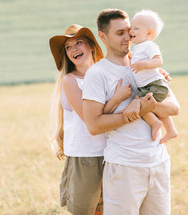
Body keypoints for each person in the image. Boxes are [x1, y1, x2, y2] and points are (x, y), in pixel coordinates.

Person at [82, 9, 180, 215]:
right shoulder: (97, 74)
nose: (128, 37)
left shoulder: (145, 64)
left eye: (129, 31)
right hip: (124, 166)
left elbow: (173, 108)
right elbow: (93, 125)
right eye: (119, 33)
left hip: (158, 162)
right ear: (103, 36)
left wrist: (144, 104)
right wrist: (131, 112)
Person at [48, 24, 131, 215]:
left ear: (92, 46)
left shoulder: (106, 74)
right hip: (85, 155)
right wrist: (117, 97)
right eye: (68, 47)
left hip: (112, 152)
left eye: (79, 43)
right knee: (86, 211)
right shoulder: (71, 80)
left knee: (108, 209)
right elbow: (90, 119)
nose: (74, 49)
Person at [129, 9, 178, 143]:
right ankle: (171, 130)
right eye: (130, 28)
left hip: (155, 85)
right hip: (150, 85)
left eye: (135, 28)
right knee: (154, 107)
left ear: (149, 33)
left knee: (139, 103)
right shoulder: (138, 47)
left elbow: (158, 61)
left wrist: (144, 65)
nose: (130, 31)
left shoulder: (149, 45)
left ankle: (155, 123)